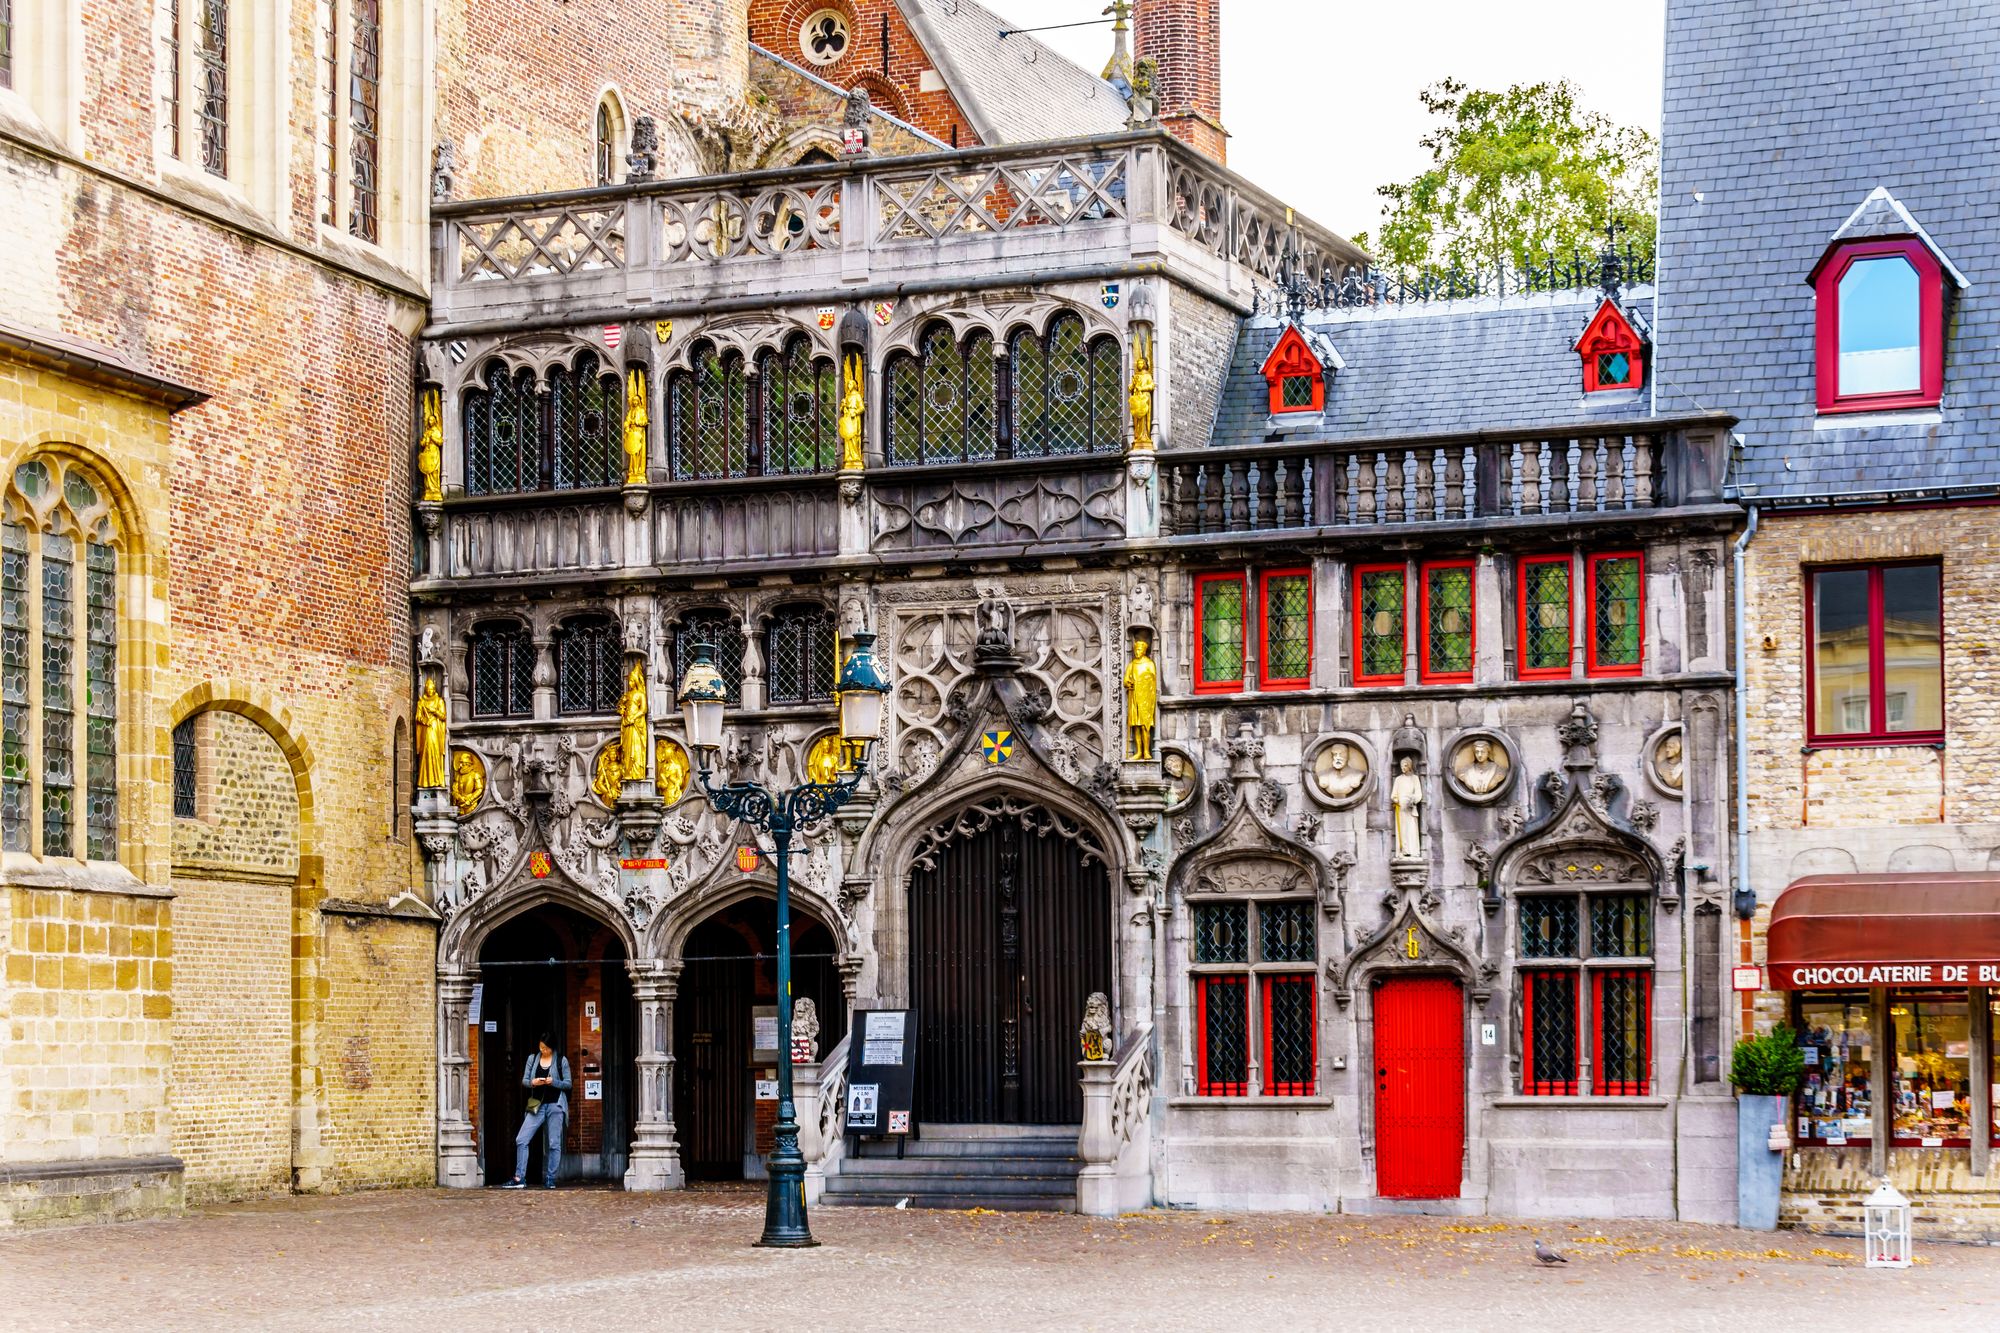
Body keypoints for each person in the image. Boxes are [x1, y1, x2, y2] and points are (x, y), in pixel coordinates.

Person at [502, 1033, 572, 1189]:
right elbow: (525, 1081)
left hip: (555, 1105)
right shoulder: (532, 1059)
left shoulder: (562, 1061)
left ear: (552, 1048)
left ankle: (550, 1178)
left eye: (545, 1048)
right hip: (537, 1106)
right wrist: (533, 1083)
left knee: (554, 1143)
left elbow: (568, 1084)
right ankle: (520, 1177)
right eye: (541, 1047)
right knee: (521, 1139)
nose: (543, 1050)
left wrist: (554, 1082)